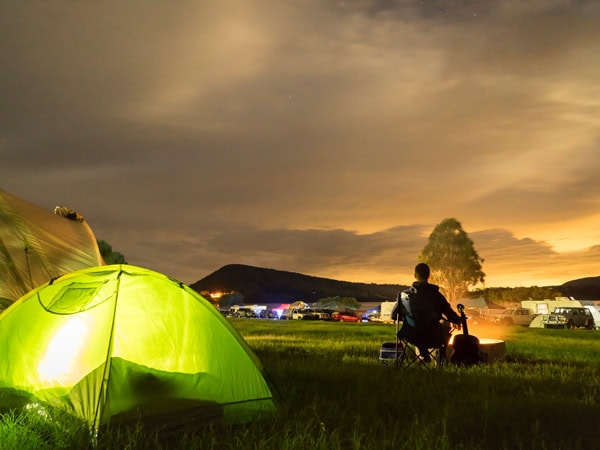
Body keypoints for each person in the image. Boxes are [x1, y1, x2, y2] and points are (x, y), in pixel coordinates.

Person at [392, 262, 462, 361]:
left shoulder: (404, 295)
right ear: (429, 276)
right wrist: (459, 320)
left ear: (415, 276)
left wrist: (410, 318)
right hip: (432, 337)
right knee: (446, 325)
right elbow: (450, 315)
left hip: (410, 335)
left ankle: (424, 354)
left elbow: (394, 315)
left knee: (419, 327)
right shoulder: (437, 296)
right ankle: (440, 357)